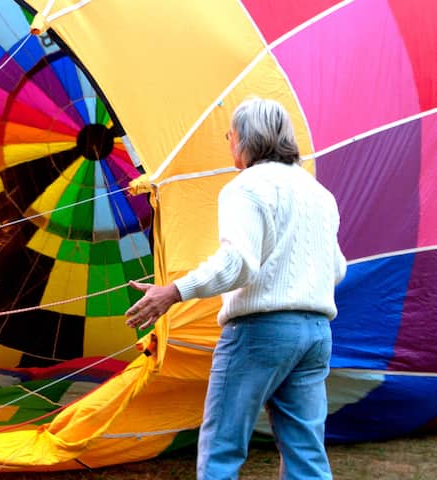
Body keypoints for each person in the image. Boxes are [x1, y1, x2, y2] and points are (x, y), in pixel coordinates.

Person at [125, 96, 346, 479]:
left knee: (222, 447)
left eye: (230, 134)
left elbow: (237, 264)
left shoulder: (245, 188)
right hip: (315, 333)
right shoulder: (319, 195)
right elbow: (337, 267)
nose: (229, 142)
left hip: (260, 332)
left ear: (245, 138)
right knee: (306, 452)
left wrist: (172, 291)